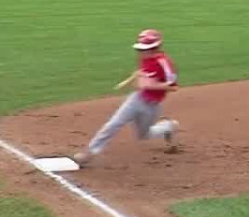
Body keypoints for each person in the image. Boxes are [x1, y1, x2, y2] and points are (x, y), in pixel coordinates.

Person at [73, 29, 179, 166]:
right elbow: (142, 71)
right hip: (136, 99)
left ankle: (169, 126)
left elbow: (173, 86)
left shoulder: (165, 63)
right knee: (113, 124)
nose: (142, 52)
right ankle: (89, 153)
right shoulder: (145, 58)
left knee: (143, 135)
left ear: (155, 48)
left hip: (152, 105)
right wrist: (130, 79)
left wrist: (152, 86)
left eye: (145, 49)